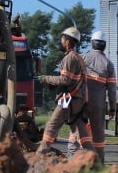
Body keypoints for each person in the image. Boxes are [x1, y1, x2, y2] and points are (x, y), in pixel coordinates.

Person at [36, 27, 95, 157]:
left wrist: (45, 78)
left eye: (62, 39)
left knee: (51, 127)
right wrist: (52, 84)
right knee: (82, 134)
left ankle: (39, 157)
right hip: (77, 100)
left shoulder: (70, 58)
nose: (60, 41)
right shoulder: (76, 57)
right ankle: (94, 160)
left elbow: (65, 79)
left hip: (69, 100)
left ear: (67, 42)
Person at [68, 30, 117, 163]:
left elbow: (71, 79)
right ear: (104, 45)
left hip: (81, 102)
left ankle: (72, 157)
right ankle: (99, 161)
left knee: (77, 130)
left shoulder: (82, 58)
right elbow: (112, 89)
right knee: (98, 133)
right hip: (98, 105)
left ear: (92, 44)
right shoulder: (108, 64)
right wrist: (113, 108)